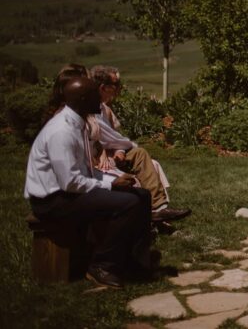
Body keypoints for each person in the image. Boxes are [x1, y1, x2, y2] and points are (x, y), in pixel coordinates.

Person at [25, 78, 153, 288]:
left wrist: (114, 179)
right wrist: (111, 185)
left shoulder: (78, 122)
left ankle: (135, 262)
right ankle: (102, 265)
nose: (100, 99)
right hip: (52, 200)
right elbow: (70, 182)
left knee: (142, 195)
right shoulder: (62, 131)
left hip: (69, 192)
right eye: (96, 95)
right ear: (84, 99)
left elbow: (83, 171)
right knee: (128, 203)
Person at [89, 65, 190, 223]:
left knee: (141, 154)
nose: (119, 89)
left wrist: (120, 150)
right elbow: (101, 139)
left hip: (112, 154)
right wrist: (107, 150)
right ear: (103, 87)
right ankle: (148, 213)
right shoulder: (89, 109)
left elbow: (114, 138)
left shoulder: (104, 109)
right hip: (95, 160)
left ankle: (159, 208)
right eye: (116, 85)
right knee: (141, 156)